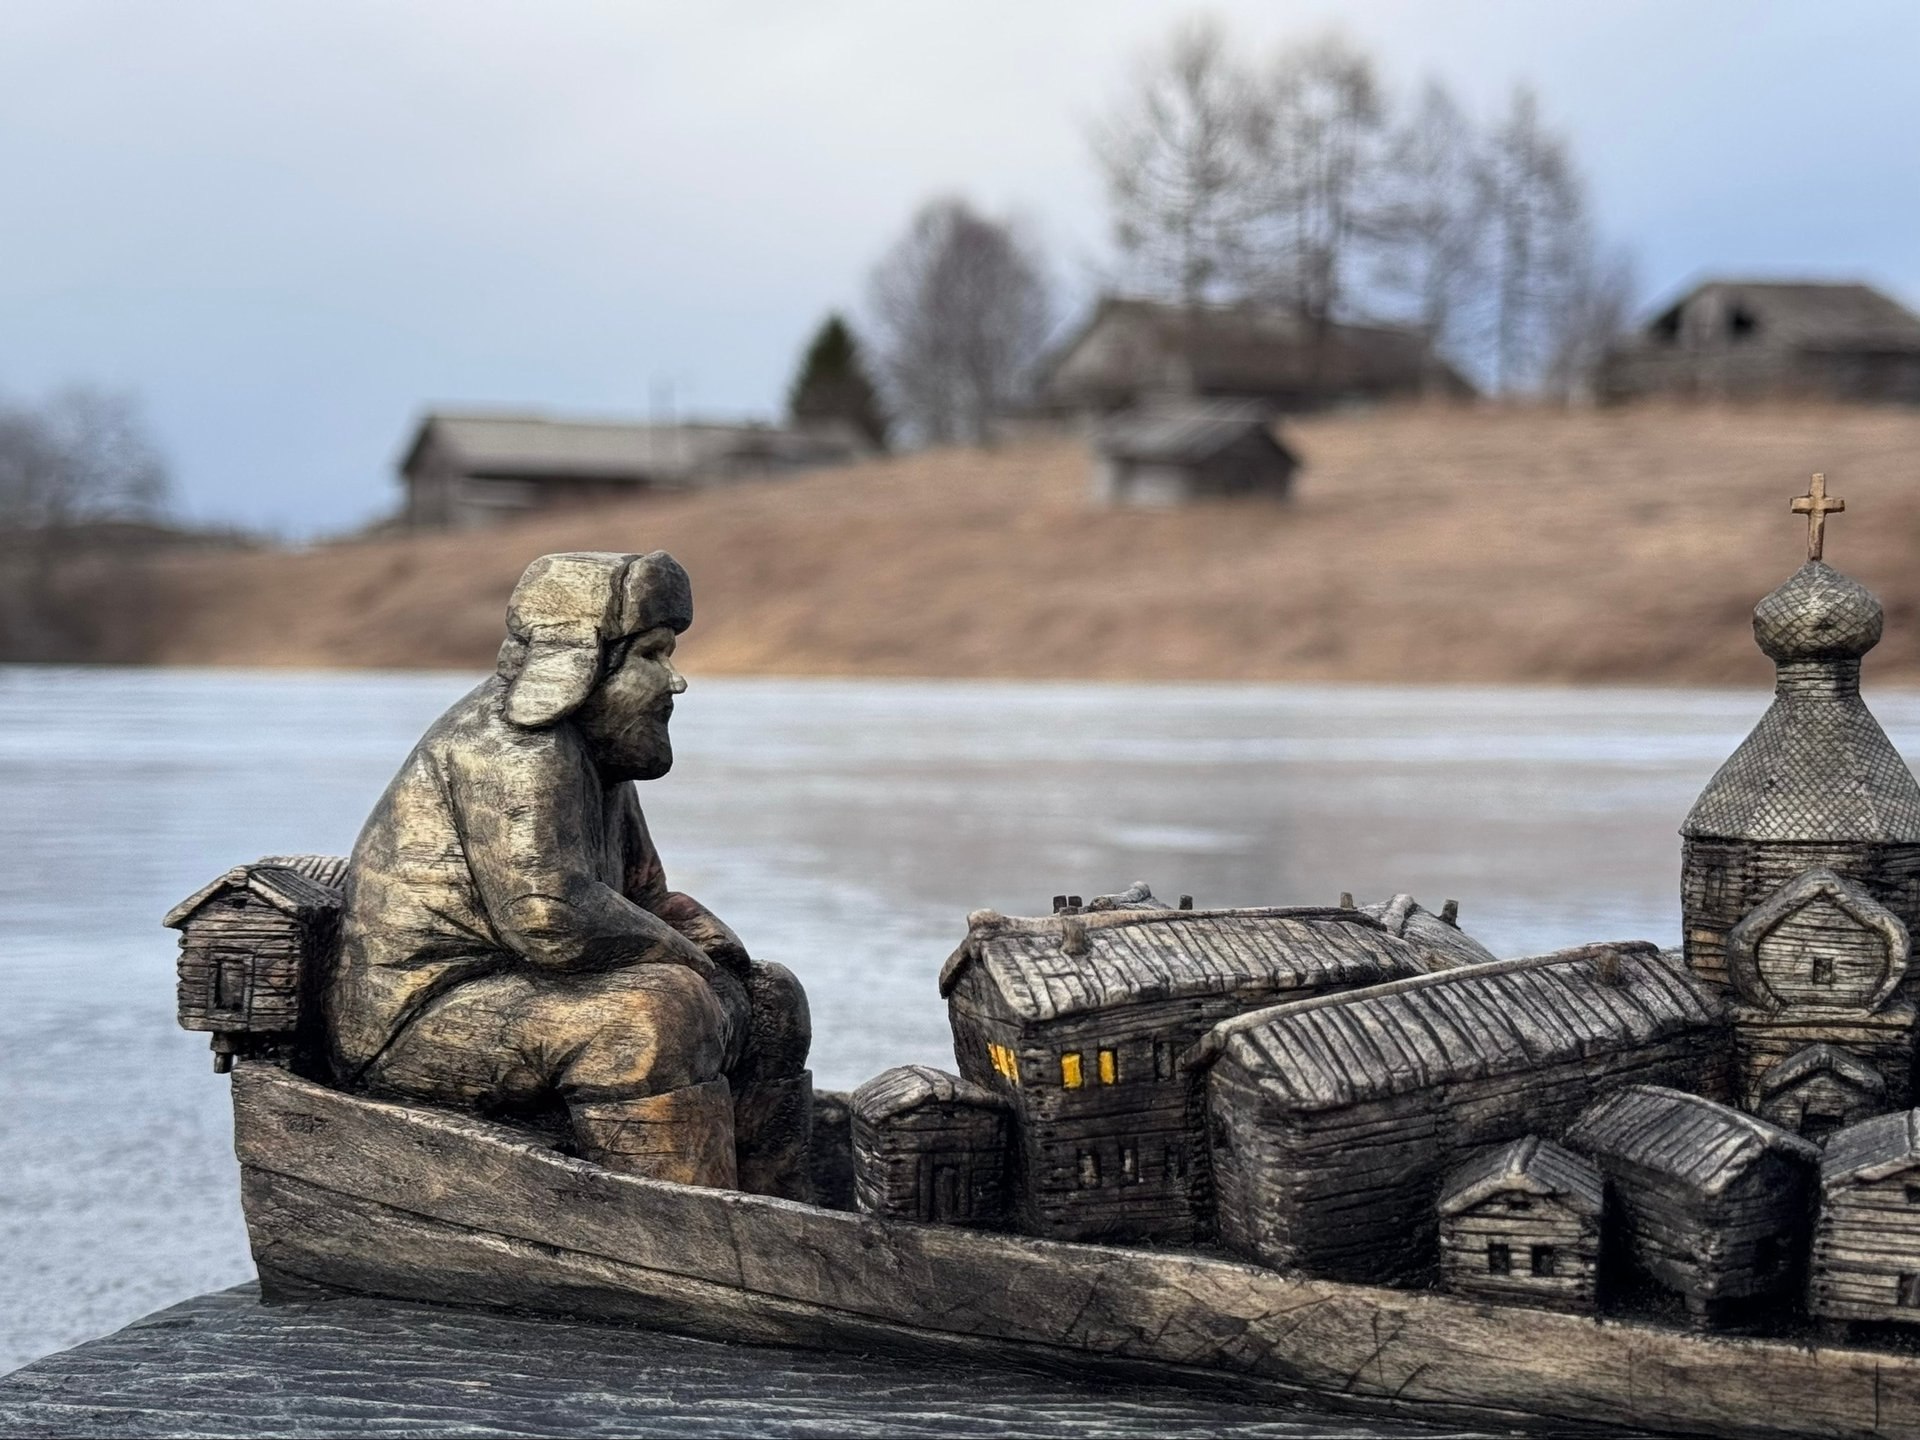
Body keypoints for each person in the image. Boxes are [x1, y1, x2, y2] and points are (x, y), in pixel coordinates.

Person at [326, 550, 811, 1194]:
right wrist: (691, 962)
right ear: (581, 661)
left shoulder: (604, 755)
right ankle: (682, 1225)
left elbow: (643, 894)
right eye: (652, 655)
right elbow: (549, 917)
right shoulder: (515, 749)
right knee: (658, 1013)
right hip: (417, 1018)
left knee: (773, 995)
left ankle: (779, 1210)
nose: (675, 681)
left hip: (524, 993)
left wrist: (717, 950)